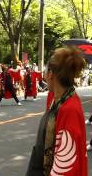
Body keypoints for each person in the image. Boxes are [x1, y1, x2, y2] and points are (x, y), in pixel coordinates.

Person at [26, 47, 88, 176]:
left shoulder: (69, 108)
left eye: (45, 71)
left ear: (50, 74)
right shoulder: (57, 98)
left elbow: (66, 164)